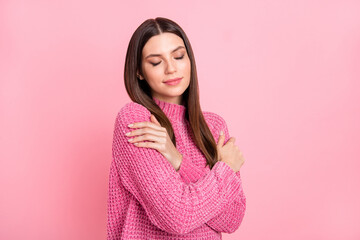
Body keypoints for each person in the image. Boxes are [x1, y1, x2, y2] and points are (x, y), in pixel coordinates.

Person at [107, 17, 246, 240]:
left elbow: (232, 219)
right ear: (139, 72)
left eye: (179, 56)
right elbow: (176, 216)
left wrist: (178, 160)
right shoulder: (137, 120)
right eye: (156, 62)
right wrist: (225, 169)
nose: (171, 68)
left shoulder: (214, 126)